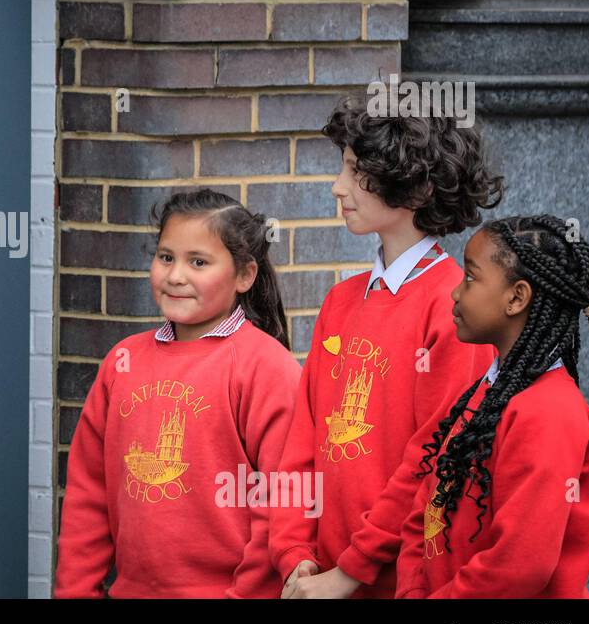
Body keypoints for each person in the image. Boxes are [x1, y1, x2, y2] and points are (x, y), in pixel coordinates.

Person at [272, 95, 504, 598]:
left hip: (402, 583)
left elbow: (436, 461)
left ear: (415, 185)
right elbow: (301, 443)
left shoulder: (454, 306)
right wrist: (294, 552)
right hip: (319, 578)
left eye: (357, 172)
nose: (338, 186)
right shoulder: (340, 301)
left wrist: (350, 571)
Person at [54, 189, 299, 598]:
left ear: (244, 275)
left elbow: (282, 504)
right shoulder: (122, 361)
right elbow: (87, 495)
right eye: (166, 257)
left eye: (198, 262)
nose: (175, 275)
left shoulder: (265, 368)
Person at [397, 216, 589, 598]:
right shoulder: (485, 394)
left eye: (470, 278)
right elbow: (426, 508)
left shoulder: (548, 414)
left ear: (516, 297)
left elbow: (519, 566)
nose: (456, 293)